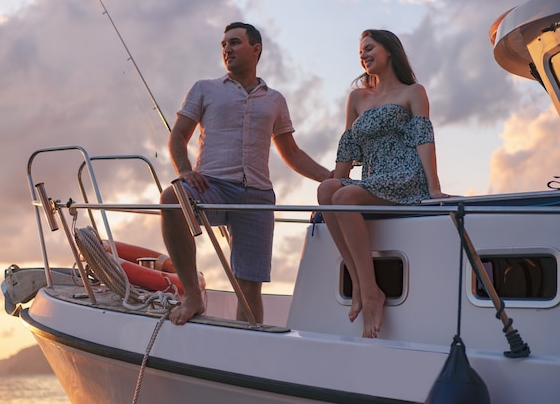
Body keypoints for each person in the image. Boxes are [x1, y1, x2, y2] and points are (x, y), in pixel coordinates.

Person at [160, 22, 330, 326]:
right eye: (224, 44)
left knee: (250, 292)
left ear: (256, 49)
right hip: (210, 186)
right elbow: (177, 138)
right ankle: (192, 296)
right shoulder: (204, 89)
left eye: (234, 43)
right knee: (172, 198)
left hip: (257, 196)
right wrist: (185, 171)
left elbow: (291, 153)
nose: (227, 49)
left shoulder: (275, 100)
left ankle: (247, 348)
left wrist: (331, 178)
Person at [317, 29, 448, 339]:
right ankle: (361, 283)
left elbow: (423, 140)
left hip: (405, 176)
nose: (363, 55)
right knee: (327, 190)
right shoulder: (357, 98)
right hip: (373, 178)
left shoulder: (413, 91)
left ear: (389, 51)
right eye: (360, 52)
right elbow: (347, 149)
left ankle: (371, 290)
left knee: (346, 196)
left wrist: (434, 189)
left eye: (369, 48)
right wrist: (324, 202)